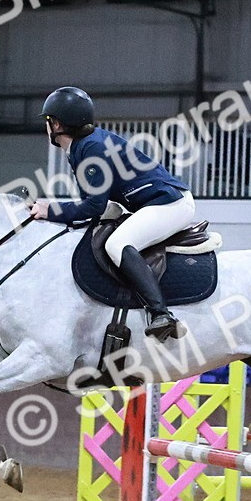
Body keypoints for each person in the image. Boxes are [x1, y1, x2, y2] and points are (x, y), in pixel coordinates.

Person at [29, 87, 194, 341]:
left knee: (117, 244)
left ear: (57, 124)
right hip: (152, 202)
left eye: (48, 121)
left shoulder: (91, 148)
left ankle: (161, 314)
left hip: (170, 204)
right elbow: (100, 205)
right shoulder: (83, 146)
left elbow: (93, 207)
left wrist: (50, 209)